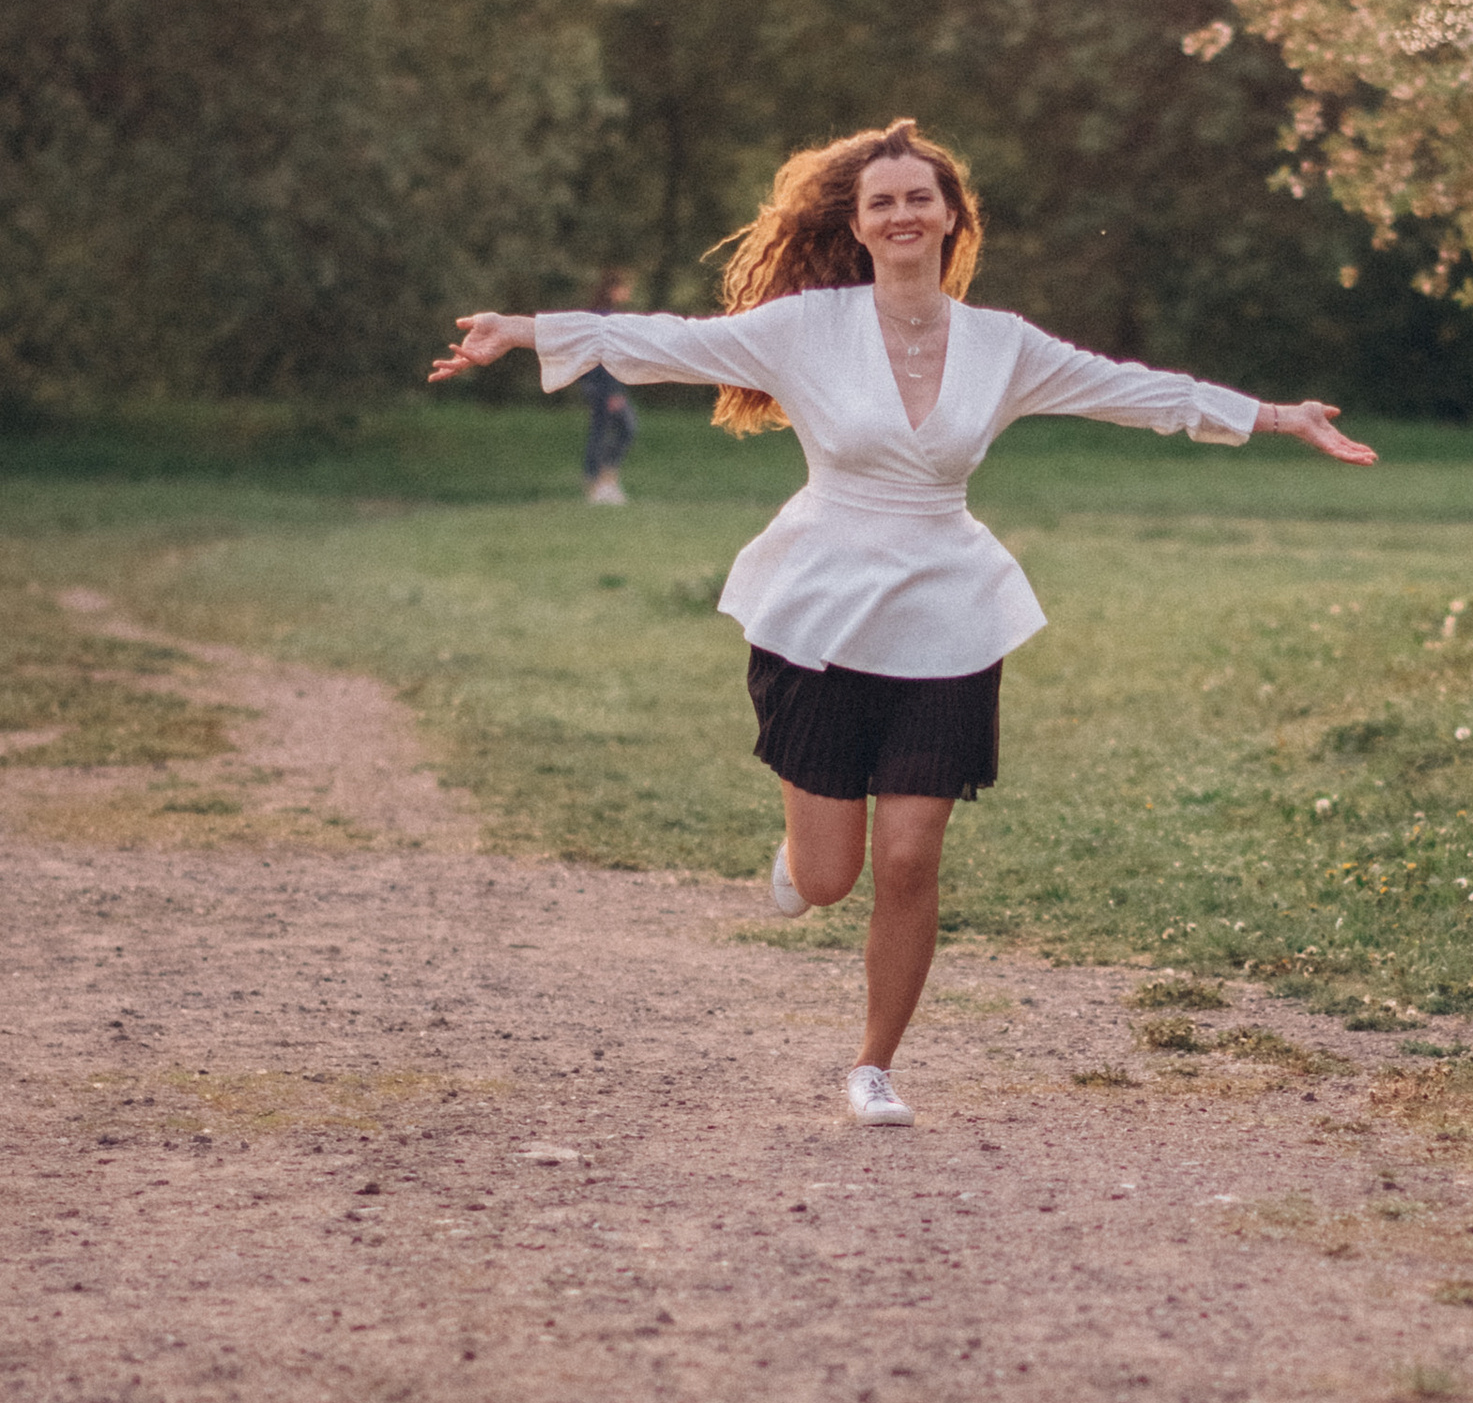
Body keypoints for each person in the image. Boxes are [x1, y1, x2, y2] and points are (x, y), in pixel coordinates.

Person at [429, 120, 1376, 1126]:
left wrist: (1279, 417)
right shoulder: (807, 327)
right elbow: (669, 343)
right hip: (820, 614)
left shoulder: (1003, 345)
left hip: (947, 618)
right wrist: (521, 330)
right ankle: (800, 860)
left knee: (912, 859)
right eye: (881, 202)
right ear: (858, 225)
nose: (902, 214)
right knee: (830, 877)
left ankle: (874, 1066)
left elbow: (1135, 392)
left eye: (920, 197)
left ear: (952, 216)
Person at [581, 269, 637, 503]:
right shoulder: (605, 319)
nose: (629, 292)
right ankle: (599, 483)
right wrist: (613, 391)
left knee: (604, 431)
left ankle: (603, 481)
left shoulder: (602, 316)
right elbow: (604, 358)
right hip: (603, 387)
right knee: (618, 429)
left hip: (599, 385)